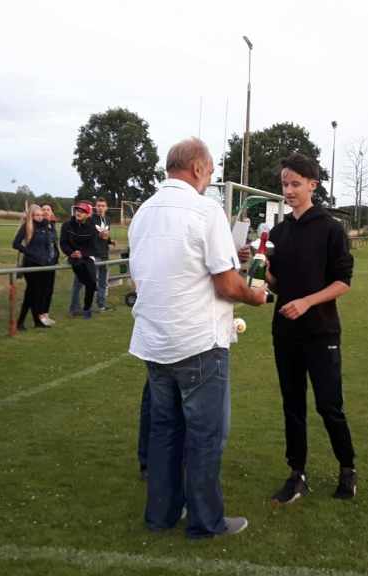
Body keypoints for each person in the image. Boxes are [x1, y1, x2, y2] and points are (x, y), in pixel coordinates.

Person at [129, 137, 269, 539]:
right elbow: (227, 284)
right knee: (205, 436)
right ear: (196, 168)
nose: (209, 180)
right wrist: (255, 297)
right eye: (209, 172)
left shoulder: (143, 212)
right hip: (198, 344)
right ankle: (206, 522)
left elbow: (144, 274)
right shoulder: (205, 210)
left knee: (164, 432)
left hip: (154, 342)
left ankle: (160, 515)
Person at [266, 152, 358, 504]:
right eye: (284, 184)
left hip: (321, 333)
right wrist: (259, 268)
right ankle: (297, 473)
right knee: (293, 405)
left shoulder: (331, 229)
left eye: (295, 184)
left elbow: (343, 282)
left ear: (312, 185)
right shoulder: (278, 232)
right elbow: (276, 284)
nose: (288, 190)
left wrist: (307, 301)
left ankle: (347, 468)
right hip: (285, 334)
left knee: (329, 405)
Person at [12, 204, 58, 330]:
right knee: (32, 293)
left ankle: (34, 321)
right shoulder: (27, 226)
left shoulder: (46, 226)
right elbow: (15, 244)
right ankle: (22, 322)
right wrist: (29, 252)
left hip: (43, 265)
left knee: (34, 294)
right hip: (31, 265)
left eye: (41, 215)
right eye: (37, 215)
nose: (40, 217)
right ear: (31, 216)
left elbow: (51, 241)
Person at [69, 197, 116, 315]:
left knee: (103, 282)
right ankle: (74, 308)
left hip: (104, 254)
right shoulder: (90, 219)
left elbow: (105, 235)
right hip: (92, 255)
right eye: (98, 206)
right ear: (95, 207)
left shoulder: (108, 219)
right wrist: (97, 234)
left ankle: (101, 305)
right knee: (82, 282)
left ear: (106, 207)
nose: (100, 208)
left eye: (103, 206)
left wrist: (110, 240)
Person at [60, 202, 100, 319]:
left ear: (88, 215)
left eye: (82, 211)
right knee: (88, 280)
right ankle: (90, 290)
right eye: (77, 210)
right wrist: (71, 253)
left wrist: (82, 253)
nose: (78, 212)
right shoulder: (67, 225)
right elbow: (63, 243)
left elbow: (93, 246)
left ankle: (87, 309)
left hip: (87, 256)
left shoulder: (92, 227)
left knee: (91, 283)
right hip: (73, 257)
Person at [38, 204, 59, 325]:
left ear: (51, 213)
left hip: (52, 263)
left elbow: (54, 244)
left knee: (49, 290)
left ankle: (46, 314)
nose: (46, 211)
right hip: (42, 263)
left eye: (48, 210)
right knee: (42, 290)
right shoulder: (38, 226)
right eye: (43, 209)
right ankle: (40, 316)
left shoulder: (52, 226)